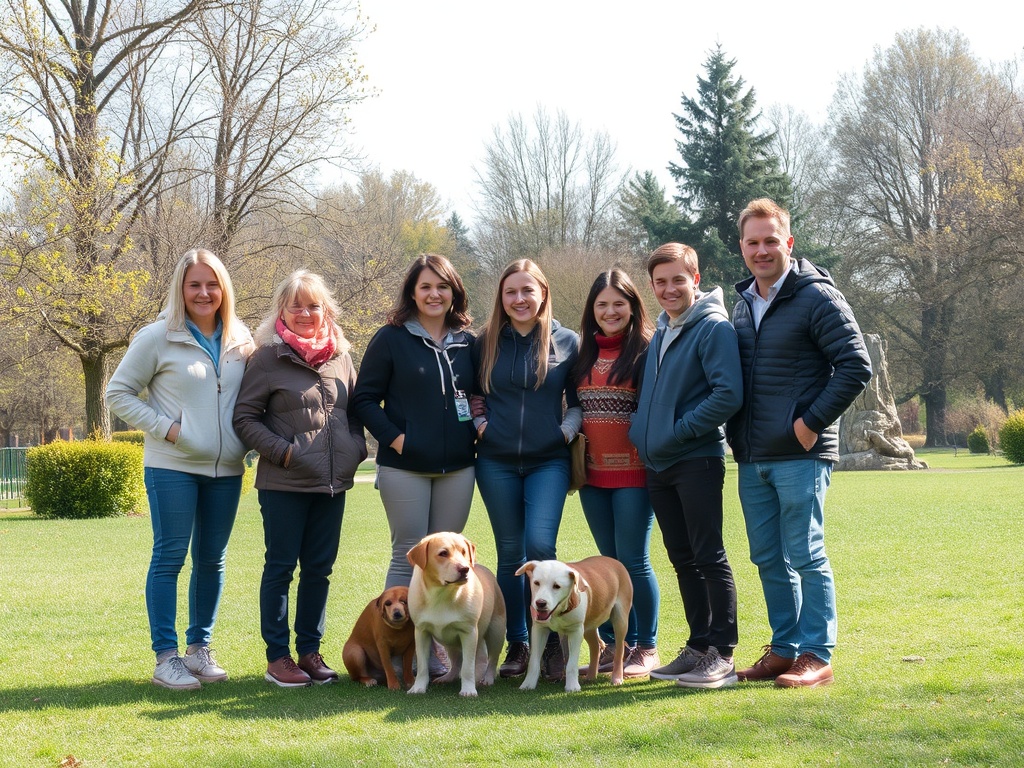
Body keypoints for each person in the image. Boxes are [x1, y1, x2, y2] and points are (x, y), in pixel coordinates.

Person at [729, 198, 871, 688]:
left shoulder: (817, 297)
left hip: (801, 454)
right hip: (752, 457)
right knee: (767, 558)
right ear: (742, 247)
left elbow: (856, 366)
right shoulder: (743, 303)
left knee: (806, 555)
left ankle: (817, 653)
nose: (762, 250)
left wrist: (809, 424)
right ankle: (784, 649)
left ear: (789, 243)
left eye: (772, 240)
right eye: (753, 242)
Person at [106, 248, 254, 690]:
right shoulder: (157, 337)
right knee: (170, 557)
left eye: (212, 284)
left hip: (227, 469)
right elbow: (119, 394)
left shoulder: (242, 339)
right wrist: (169, 429)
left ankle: (198, 650)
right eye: (195, 285)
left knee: (212, 559)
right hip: (172, 465)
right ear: (181, 289)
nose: (204, 293)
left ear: (224, 289)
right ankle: (165, 657)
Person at [233, 269, 367, 687]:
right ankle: (278, 658)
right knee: (280, 568)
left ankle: (309, 651)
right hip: (284, 484)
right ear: (282, 312)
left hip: (332, 486)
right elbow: (244, 417)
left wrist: (355, 451)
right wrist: (284, 453)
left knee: (319, 570)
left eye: (314, 305)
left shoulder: (341, 356)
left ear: (325, 309)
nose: (306, 313)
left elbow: (356, 413)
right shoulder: (267, 358)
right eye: (297, 306)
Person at [352, 254, 477, 678]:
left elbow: (478, 396)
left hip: (458, 468)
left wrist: (476, 429)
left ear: (454, 291)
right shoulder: (390, 339)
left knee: (447, 560)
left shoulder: (469, 341)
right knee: (409, 555)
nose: (434, 294)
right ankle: (401, 651)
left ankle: (441, 651)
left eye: (442, 286)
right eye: (425, 287)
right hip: (404, 467)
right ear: (412, 293)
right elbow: (364, 399)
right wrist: (399, 440)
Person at [628, 242, 744, 689]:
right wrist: (645, 436)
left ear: (696, 279)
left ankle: (723, 653)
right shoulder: (661, 330)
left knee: (708, 555)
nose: (669, 288)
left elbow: (727, 395)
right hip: (659, 464)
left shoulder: (713, 328)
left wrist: (676, 432)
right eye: (661, 281)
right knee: (682, 558)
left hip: (695, 458)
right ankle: (698, 646)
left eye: (679, 279)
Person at [473, 259, 581, 682]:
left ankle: (550, 632)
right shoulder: (483, 343)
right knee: (508, 552)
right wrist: (479, 425)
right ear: (502, 298)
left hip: (548, 461)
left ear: (542, 294)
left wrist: (565, 434)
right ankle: (518, 642)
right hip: (495, 461)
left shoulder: (567, 342)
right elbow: (466, 394)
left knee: (540, 545)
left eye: (527, 291)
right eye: (511, 292)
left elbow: (578, 401)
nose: (519, 300)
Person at [572, 268, 662, 679]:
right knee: (606, 563)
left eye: (618, 304)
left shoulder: (647, 349)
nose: (610, 311)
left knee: (633, 562)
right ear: (592, 309)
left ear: (632, 307)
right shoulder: (582, 353)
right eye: (602, 304)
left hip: (634, 473)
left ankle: (646, 646)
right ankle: (612, 644)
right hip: (592, 476)